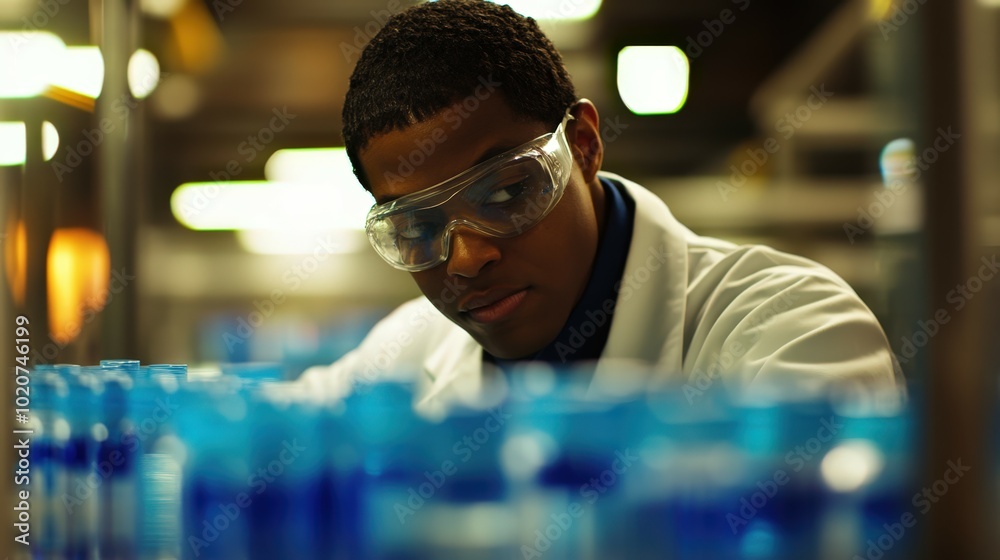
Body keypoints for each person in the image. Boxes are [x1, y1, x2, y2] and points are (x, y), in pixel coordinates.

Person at [297, 0, 902, 413]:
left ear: (582, 146)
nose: (467, 258)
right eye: (418, 227)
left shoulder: (787, 329)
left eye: (506, 191)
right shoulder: (406, 354)